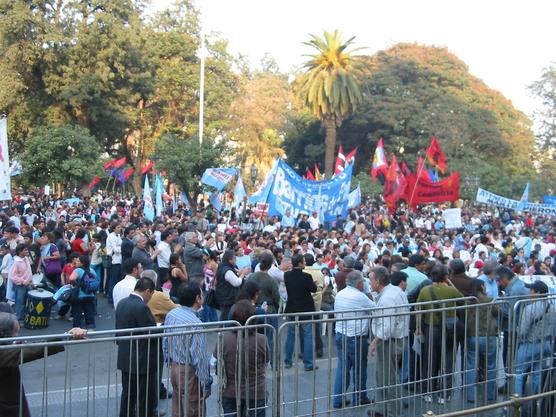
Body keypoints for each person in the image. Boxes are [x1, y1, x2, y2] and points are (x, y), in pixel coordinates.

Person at [0, 312, 87, 417]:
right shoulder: (4, 351)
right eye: (15, 333)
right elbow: (34, 350)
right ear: (3, 334)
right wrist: (66, 337)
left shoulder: (6, 346)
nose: (16, 337)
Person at [163, 282, 213, 417]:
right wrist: (206, 381)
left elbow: (165, 341)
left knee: (177, 406)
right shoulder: (196, 324)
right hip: (189, 371)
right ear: (197, 298)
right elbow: (199, 357)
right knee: (194, 408)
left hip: (175, 366)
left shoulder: (172, 314)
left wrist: (168, 360)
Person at [416, 264, 464, 404]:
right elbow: (462, 299)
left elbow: (419, 310)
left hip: (430, 328)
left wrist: (418, 328)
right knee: (448, 361)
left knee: (429, 360)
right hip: (449, 329)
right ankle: (445, 394)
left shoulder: (425, 290)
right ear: (445, 276)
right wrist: (450, 283)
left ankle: (427, 393)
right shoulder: (450, 291)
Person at [115, 277, 159, 417]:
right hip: (142, 359)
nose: (150, 298)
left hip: (125, 356)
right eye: (151, 294)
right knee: (144, 396)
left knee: (128, 393)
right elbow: (151, 330)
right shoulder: (141, 307)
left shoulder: (122, 303)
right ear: (147, 291)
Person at [217, 300, 269, 417]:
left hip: (230, 391)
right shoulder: (262, 340)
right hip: (256, 392)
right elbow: (266, 362)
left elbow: (215, 361)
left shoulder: (223, 338)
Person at [370, 266, 410, 417]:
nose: (369, 282)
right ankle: (385, 409)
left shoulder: (388, 298)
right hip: (395, 339)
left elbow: (387, 326)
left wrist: (375, 341)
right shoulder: (394, 291)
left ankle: (393, 412)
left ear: (378, 281)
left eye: (371, 279)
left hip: (389, 342)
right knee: (385, 377)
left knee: (388, 379)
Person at [333, 270, 375, 409]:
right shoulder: (360, 296)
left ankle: (337, 400)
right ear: (359, 283)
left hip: (340, 334)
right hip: (355, 337)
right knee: (359, 369)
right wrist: (368, 292)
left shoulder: (340, 294)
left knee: (342, 368)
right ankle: (359, 397)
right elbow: (375, 307)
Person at [514, 280, 556, 397]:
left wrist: (518, 332)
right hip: (546, 344)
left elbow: (522, 331)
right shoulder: (553, 307)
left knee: (518, 373)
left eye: (531, 290)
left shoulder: (529, 309)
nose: (529, 292)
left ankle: (517, 403)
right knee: (537, 373)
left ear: (537, 292)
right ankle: (536, 402)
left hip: (529, 344)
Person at [464, 279, 501, 404]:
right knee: (490, 366)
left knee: (471, 365)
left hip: (472, 335)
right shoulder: (490, 299)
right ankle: (490, 394)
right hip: (489, 335)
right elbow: (498, 312)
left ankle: (470, 395)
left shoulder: (469, 300)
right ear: (481, 286)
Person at [283, 254, 317, 371]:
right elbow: (314, 289)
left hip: (292, 308)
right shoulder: (307, 276)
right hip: (306, 309)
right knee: (307, 336)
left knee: (291, 335)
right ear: (300, 264)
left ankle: (288, 360)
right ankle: (308, 363)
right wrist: (315, 283)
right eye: (303, 262)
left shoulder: (286, 275)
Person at [215, 249, 249, 321]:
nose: (236, 260)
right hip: (227, 297)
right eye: (234, 259)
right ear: (230, 260)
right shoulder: (227, 271)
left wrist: (239, 272)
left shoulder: (222, 265)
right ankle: (222, 330)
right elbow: (236, 283)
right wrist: (242, 274)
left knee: (224, 314)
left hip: (223, 295)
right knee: (226, 315)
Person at [68, 255, 98, 328]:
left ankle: (77, 331)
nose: (76, 262)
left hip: (79, 296)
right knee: (89, 314)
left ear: (82, 263)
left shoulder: (77, 270)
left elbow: (71, 278)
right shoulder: (92, 270)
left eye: (78, 261)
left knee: (77, 314)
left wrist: (77, 284)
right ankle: (90, 329)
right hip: (90, 296)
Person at [8, 244, 32, 321]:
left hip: (28, 284)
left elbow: (29, 271)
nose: (27, 251)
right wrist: (22, 282)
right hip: (20, 286)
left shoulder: (26, 259)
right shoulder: (16, 262)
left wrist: (30, 281)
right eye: (25, 250)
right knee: (20, 302)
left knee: (27, 301)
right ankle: (18, 319)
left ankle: (25, 317)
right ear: (19, 252)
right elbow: (12, 276)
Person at [106, 223, 123, 304]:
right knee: (113, 280)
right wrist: (120, 247)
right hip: (113, 261)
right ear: (114, 229)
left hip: (119, 260)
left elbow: (120, 245)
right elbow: (116, 250)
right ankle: (111, 298)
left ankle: (117, 297)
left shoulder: (118, 236)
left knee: (118, 280)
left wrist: (119, 246)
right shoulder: (111, 237)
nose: (120, 229)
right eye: (118, 227)